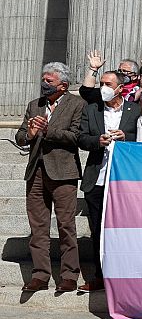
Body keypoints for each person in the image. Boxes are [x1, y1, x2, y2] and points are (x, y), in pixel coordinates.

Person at [15, 62, 85, 293]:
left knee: (66, 225)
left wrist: (47, 131)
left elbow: (76, 137)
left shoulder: (77, 104)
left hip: (63, 172)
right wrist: (30, 134)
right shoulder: (34, 105)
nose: (44, 84)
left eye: (49, 81)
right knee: (38, 226)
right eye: (43, 79)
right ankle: (40, 275)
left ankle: (68, 275)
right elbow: (20, 136)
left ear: (63, 85)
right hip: (36, 170)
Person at [77, 70, 141, 292]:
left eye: (107, 84)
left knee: (124, 231)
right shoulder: (92, 109)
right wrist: (98, 140)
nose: (103, 87)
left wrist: (128, 139)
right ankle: (100, 276)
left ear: (120, 87)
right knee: (98, 230)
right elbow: (81, 137)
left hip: (124, 182)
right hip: (97, 178)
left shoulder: (136, 110)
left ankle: (125, 277)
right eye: (101, 83)